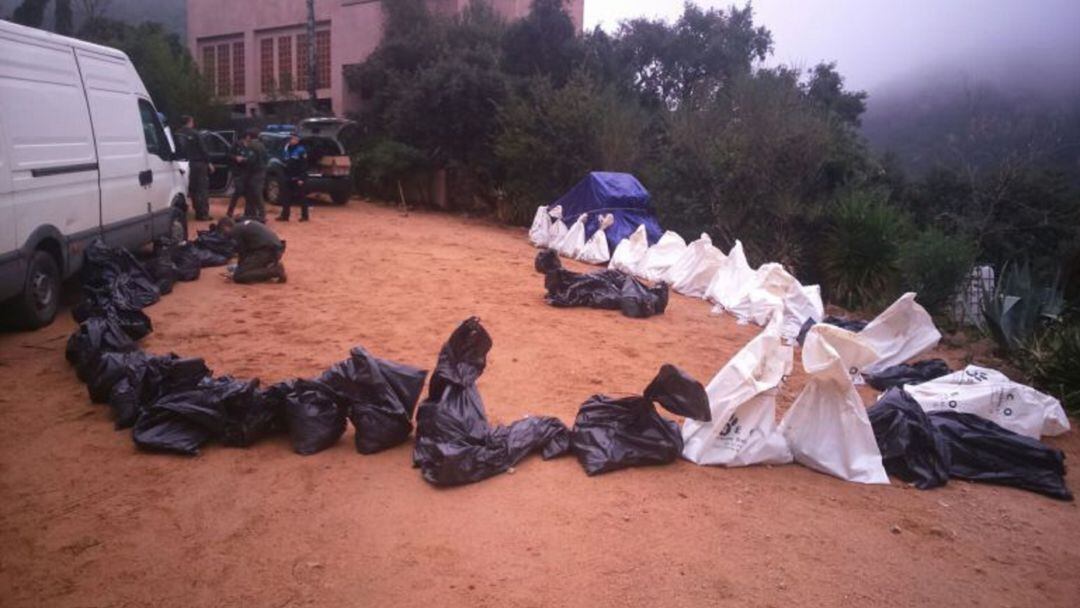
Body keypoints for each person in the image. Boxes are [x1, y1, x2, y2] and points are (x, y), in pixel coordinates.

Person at [217, 216, 287, 284]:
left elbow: (242, 254)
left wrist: (238, 271)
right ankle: (268, 268)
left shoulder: (235, 231)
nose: (224, 234)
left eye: (223, 231)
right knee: (247, 269)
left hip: (266, 251)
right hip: (275, 249)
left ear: (225, 227)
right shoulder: (242, 225)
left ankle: (275, 271)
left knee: (239, 276)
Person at [177, 115, 214, 221]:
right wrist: (209, 163)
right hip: (198, 164)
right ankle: (203, 214)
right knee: (202, 190)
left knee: (192, 190)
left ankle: (196, 210)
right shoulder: (195, 133)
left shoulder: (177, 134)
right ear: (189, 122)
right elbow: (203, 149)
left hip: (182, 164)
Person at [228, 129, 268, 221]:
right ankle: (251, 213)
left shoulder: (253, 146)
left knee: (256, 193)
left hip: (254, 173)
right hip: (257, 172)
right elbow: (266, 158)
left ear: (249, 137)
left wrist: (243, 160)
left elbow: (251, 159)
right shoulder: (261, 145)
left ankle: (261, 215)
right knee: (251, 193)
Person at [276, 133, 310, 222]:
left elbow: (304, 166)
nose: (292, 140)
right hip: (288, 176)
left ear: (298, 140)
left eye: (294, 139)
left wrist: (301, 178)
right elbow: (284, 161)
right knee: (286, 197)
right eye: (291, 139)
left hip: (298, 177)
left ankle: (305, 216)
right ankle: (285, 216)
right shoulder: (286, 148)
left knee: (302, 197)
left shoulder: (301, 150)